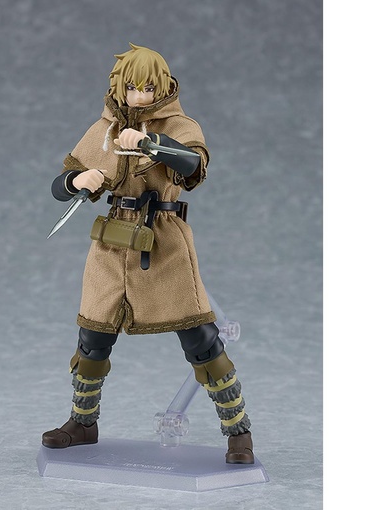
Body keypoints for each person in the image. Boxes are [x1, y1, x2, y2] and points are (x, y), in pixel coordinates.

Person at [42, 43, 254, 464]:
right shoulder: (104, 129)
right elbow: (60, 183)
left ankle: (238, 431)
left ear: (162, 87)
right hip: (111, 245)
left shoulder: (178, 124)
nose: (138, 96)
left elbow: (192, 165)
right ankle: (83, 422)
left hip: (164, 243)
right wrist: (77, 181)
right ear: (118, 87)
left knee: (201, 340)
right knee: (92, 339)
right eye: (131, 88)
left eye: (148, 88)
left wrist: (151, 143)